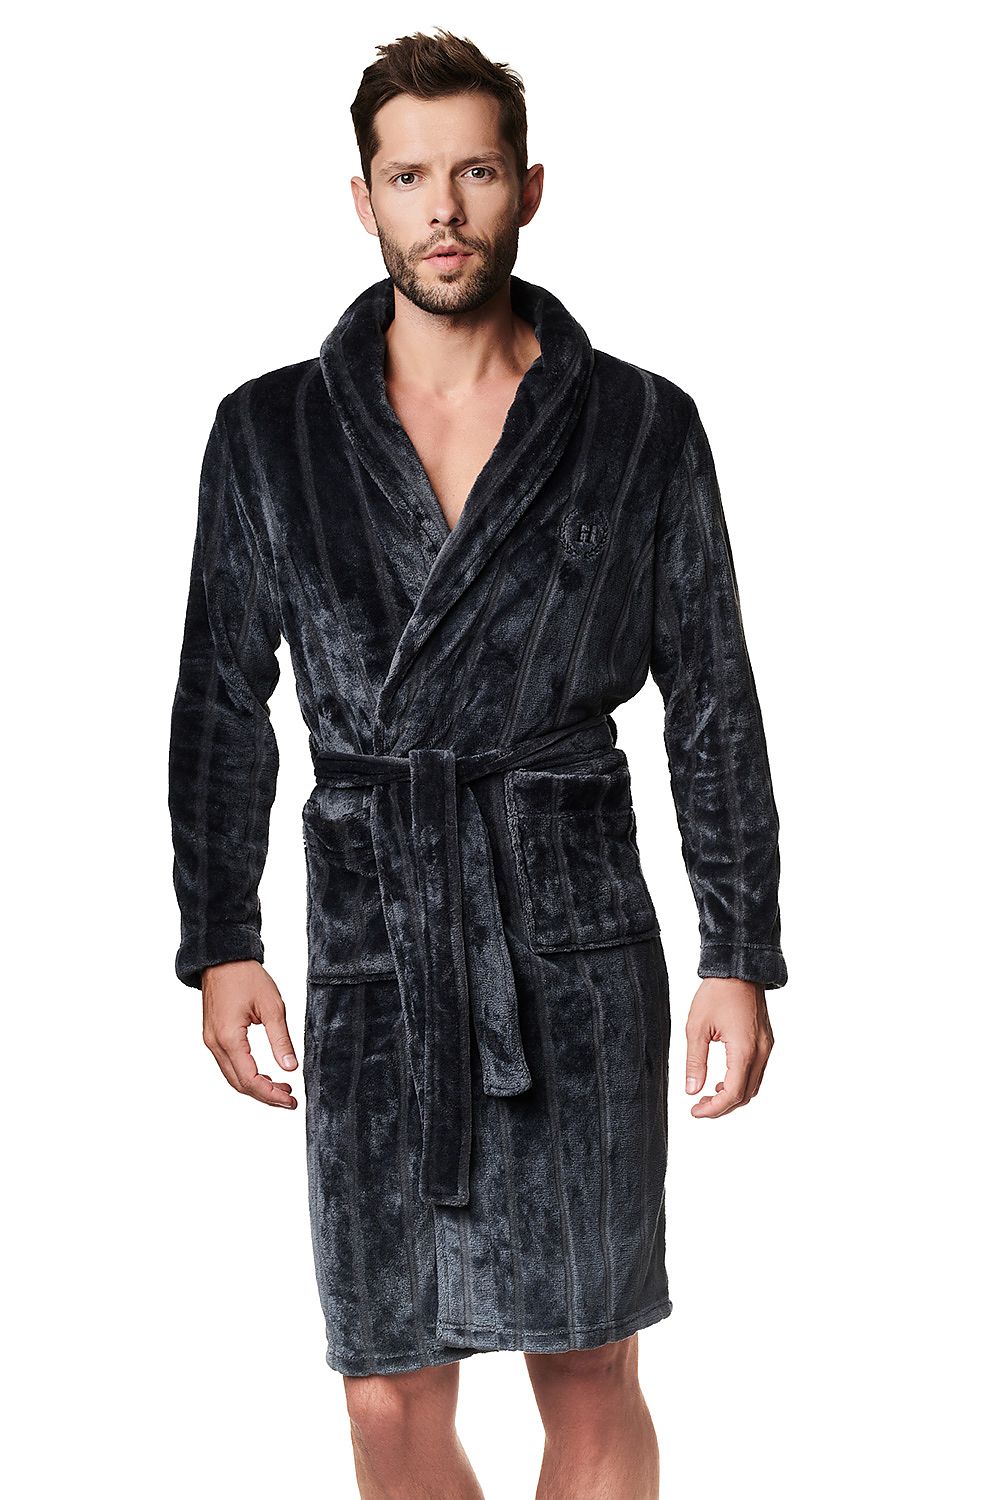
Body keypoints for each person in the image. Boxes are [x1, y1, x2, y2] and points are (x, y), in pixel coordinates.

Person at [168, 27, 787, 1500]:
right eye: (409, 177)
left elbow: (711, 697)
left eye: (476, 172)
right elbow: (220, 695)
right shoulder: (270, 432)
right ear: (363, 200)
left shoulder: (639, 424)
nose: (443, 209)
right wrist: (221, 937)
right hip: (379, 939)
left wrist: (739, 950)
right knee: (387, 1391)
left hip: (573, 938)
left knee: (587, 1363)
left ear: (529, 188)